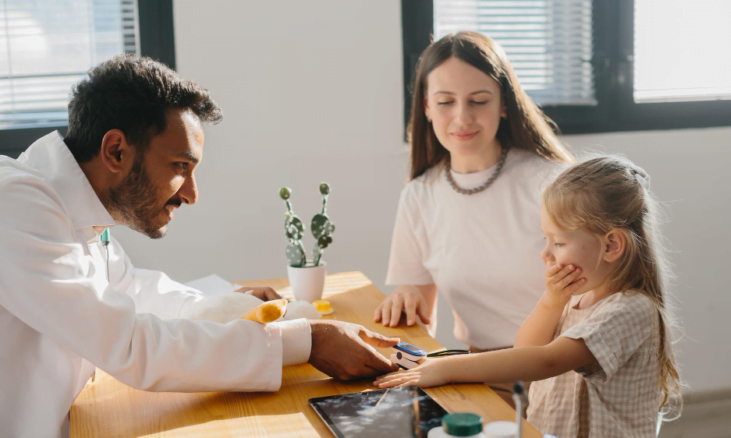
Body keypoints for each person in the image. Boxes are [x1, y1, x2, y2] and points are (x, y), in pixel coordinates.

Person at [0, 54, 398, 438]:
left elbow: (131, 289)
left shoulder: (69, 208)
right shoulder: (15, 203)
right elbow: (132, 345)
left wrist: (233, 301)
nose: (191, 194)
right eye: (180, 167)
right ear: (116, 151)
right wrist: (308, 340)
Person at [374, 156, 683, 437]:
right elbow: (527, 348)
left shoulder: (631, 310)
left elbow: (546, 361)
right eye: (545, 239)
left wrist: (446, 367)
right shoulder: (577, 297)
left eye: (559, 243)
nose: (545, 253)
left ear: (611, 245)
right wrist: (551, 302)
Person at [374, 31, 572, 403]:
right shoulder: (420, 195)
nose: (462, 118)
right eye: (446, 101)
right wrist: (406, 296)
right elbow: (423, 325)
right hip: (479, 376)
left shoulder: (553, 184)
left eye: (478, 100)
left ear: (503, 104)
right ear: (427, 107)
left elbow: (602, 308)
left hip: (562, 374)